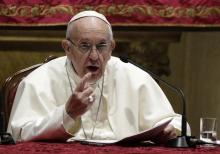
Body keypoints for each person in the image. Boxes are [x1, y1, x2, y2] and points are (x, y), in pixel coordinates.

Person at [7, 10, 190, 143]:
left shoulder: (134, 76)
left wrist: (172, 130)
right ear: (67, 48)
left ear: (111, 48)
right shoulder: (39, 80)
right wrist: (67, 114)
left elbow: (176, 123)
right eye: (85, 46)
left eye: (102, 46)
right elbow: (18, 134)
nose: (94, 56)